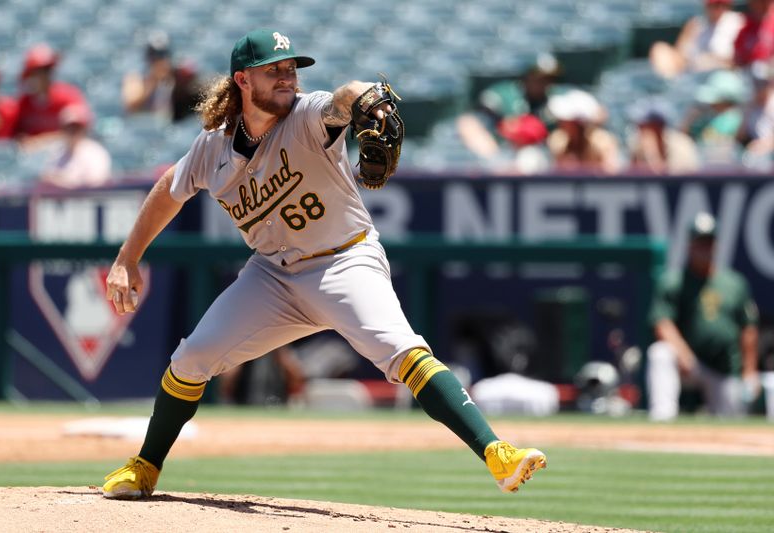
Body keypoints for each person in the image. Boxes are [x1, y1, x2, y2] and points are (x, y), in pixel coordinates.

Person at [100, 28, 546, 500]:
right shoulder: (212, 148)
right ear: (242, 80)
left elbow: (344, 97)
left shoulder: (307, 115)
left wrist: (367, 101)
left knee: (402, 350)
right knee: (191, 359)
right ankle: (145, 466)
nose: (287, 77)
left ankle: (497, 452)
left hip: (345, 262)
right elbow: (170, 190)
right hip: (272, 275)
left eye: (291, 68)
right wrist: (128, 258)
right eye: (274, 70)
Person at [646, 212, 760, 421]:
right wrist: (683, 354)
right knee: (660, 353)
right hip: (690, 364)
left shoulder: (734, 283)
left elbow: (748, 329)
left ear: (716, 245)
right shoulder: (674, 281)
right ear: (690, 245)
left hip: (724, 368)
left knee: (732, 422)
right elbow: (662, 322)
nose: (704, 249)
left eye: (709, 243)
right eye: (700, 243)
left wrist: (749, 371)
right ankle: (662, 418)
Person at [649, 0, 743, 79]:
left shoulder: (738, 22)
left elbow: (740, 59)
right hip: (693, 75)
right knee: (659, 49)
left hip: (723, 75)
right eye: (713, 5)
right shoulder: (696, 24)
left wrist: (712, 60)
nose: (717, 9)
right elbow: (680, 57)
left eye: (720, 4)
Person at [13, 44, 89, 141]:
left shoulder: (68, 96)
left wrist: (38, 142)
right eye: (36, 72)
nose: (43, 76)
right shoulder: (24, 103)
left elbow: (79, 131)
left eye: (46, 70)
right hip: (32, 156)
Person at [122, 30, 202, 123]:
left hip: (165, 127)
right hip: (140, 128)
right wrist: (153, 80)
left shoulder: (173, 77)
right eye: (155, 56)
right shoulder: (136, 78)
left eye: (162, 55)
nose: (159, 60)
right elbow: (131, 106)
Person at [546, 89, 622, 174]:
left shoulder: (603, 142)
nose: (561, 123)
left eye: (567, 121)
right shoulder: (558, 141)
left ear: (579, 124)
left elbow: (611, 175)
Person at [38, 103, 112, 188]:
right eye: (68, 128)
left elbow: (96, 183)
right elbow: (46, 179)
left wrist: (64, 182)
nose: (72, 132)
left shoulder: (96, 153)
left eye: (76, 128)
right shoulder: (56, 153)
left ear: (84, 130)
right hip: (59, 200)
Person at [626, 98, 700, 175]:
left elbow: (671, 176)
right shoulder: (637, 143)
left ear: (657, 126)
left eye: (643, 126)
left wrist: (652, 153)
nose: (639, 129)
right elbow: (632, 174)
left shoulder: (681, 144)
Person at [734, 0, 774, 67]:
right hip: (748, 73)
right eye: (760, 2)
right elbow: (737, 59)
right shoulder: (744, 29)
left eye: (767, 2)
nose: (764, 6)